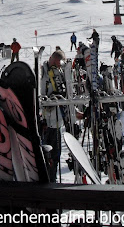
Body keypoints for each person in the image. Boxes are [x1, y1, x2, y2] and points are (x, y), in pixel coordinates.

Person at [40, 50, 66, 182]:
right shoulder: (44, 72)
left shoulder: (57, 72)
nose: (58, 67)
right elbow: (42, 95)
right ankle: (48, 178)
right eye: (56, 63)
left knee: (55, 153)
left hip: (57, 120)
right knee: (48, 152)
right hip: (48, 120)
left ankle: (52, 176)